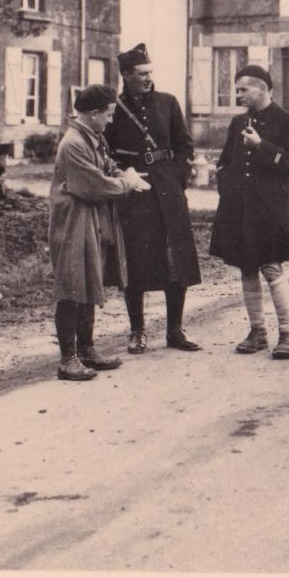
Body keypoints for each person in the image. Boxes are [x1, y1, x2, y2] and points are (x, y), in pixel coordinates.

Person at [104, 43, 203, 354]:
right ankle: (137, 331)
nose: (148, 79)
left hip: (168, 192)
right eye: (142, 74)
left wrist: (178, 176)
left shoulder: (168, 103)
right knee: (135, 264)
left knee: (176, 261)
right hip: (134, 196)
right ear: (126, 76)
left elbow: (185, 146)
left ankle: (175, 330)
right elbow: (105, 153)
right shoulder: (115, 110)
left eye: (150, 73)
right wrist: (124, 175)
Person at [48, 83, 151, 381]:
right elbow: (93, 185)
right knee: (72, 285)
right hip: (72, 222)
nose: (110, 120)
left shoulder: (92, 137)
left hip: (90, 218)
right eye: (108, 114)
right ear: (94, 114)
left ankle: (88, 350)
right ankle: (68, 359)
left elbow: (108, 167)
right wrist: (126, 183)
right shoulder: (74, 143)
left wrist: (124, 174)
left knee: (89, 280)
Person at [209, 64, 289, 359]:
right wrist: (225, 185)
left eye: (243, 89)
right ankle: (257, 331)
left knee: (272, 268)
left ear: (262, 89)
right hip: (240, 208)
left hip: (273, 209)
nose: (238, 94)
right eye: (237, 89)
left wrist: (261, 144)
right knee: (247, 267)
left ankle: (288, 334)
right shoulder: (237, 123)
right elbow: (225, 161)